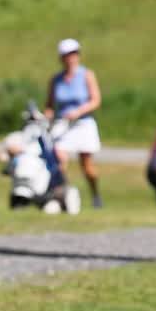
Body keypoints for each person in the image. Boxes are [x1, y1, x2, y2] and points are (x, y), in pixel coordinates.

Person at [45, 38, 104, 209]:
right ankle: (63, 197)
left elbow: (95, 100)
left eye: (73, 54)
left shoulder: (87, 75)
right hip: (63, 125)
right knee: (59, 159)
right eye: (67, 55)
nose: (71, 58)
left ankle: (95, 194)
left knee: (87, 167)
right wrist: (45, 118)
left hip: (84, 123)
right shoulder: (56, 80)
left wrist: (78, 112)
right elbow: (49, 105)